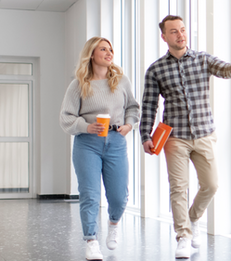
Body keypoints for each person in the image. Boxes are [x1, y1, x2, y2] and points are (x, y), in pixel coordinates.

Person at [139, 15, 231, 259]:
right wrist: (145, 134)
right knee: (179, 188)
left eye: (183, 30)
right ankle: (183, 236)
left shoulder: (203, 59)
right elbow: (148, 105)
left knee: (211, 184)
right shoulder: (156, 69)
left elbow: (227, 71)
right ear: (164, 37)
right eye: (174, 31)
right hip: (174, 137)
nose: (181, 35)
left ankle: (193, 219)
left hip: (204, 133)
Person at [60, 36, 140, 261]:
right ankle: (91, 241)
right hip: (88, 144)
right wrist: (87, 126)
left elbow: (133, 107)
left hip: (116, 140)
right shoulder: (78, 84)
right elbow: (65, 118)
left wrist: (128, 125)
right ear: (92, 54)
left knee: (119, 196)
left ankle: (113, 223)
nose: (109, 52)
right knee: (90, 194)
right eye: (103, 49)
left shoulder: (122, 81)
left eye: (110, 49)